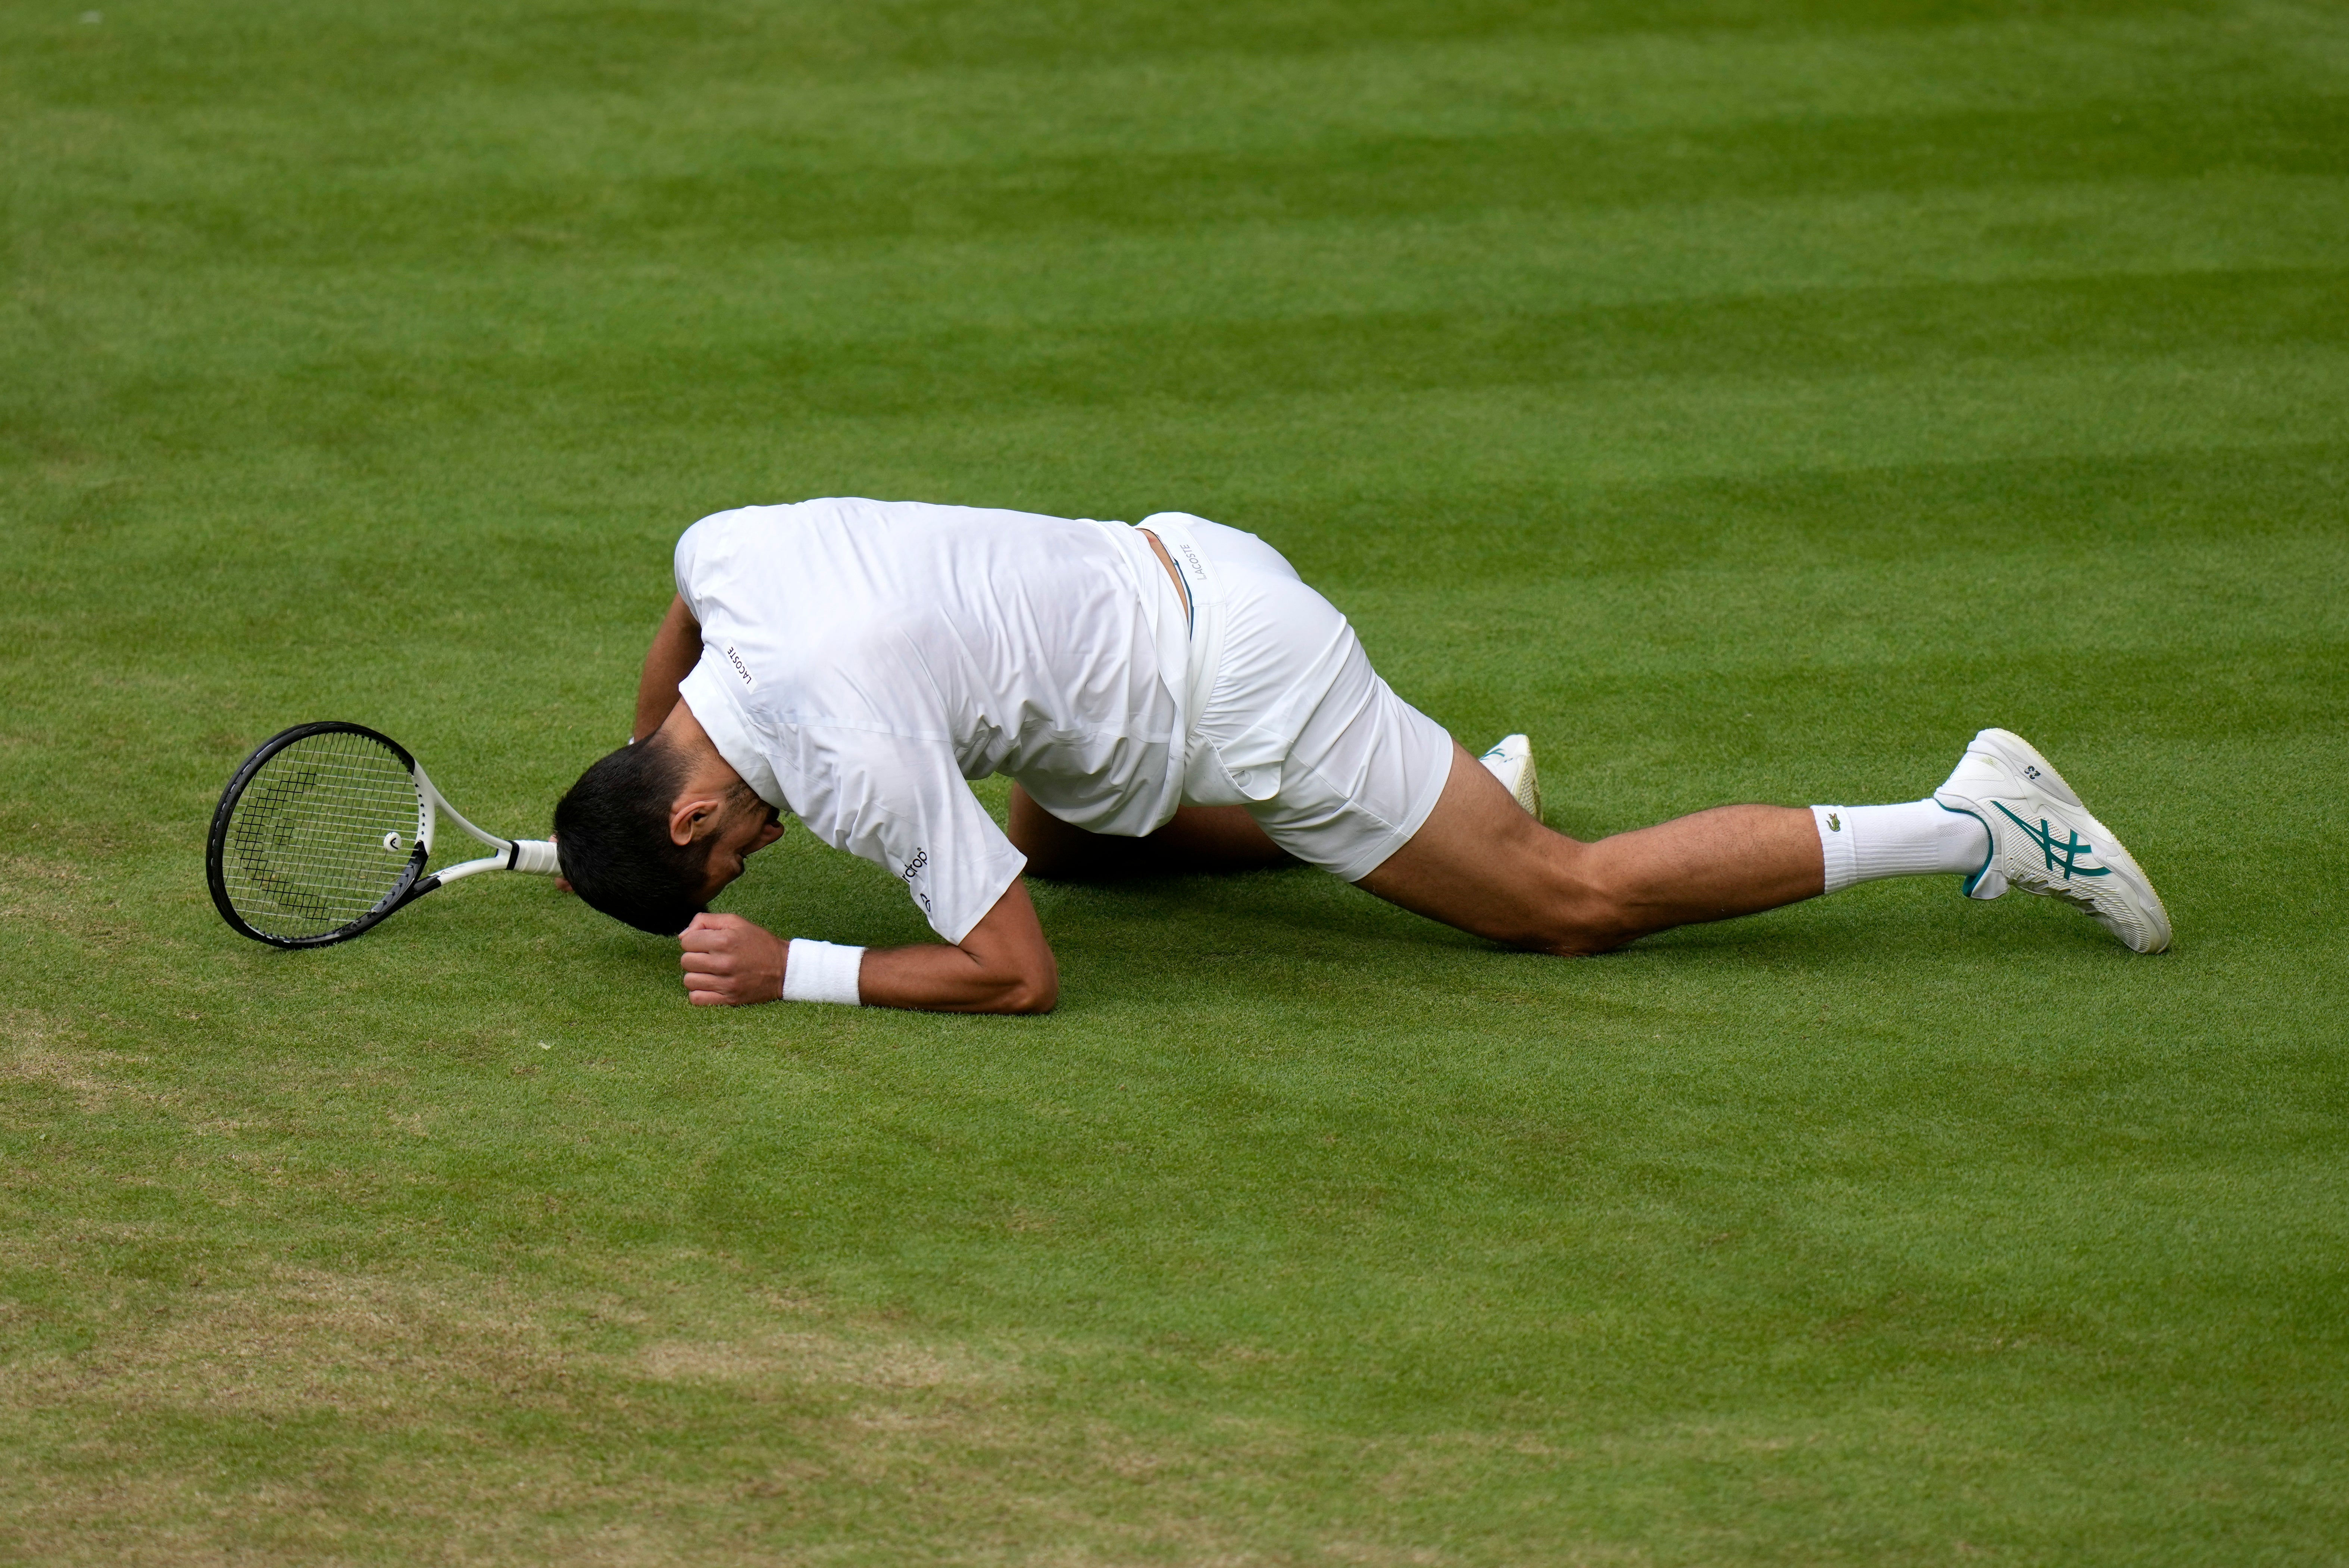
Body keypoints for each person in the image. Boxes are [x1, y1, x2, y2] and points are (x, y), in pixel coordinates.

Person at [552, 498, 2170, 1014]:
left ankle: (1974, 820)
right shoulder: (730, 553)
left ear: (692, 815)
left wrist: (794, 968)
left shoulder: (850, 758)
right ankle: (1454, 803)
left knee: (1566, 905)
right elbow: (681, 626)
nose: (764, 854)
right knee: (1056, 831)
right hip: (1176, 562)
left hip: (1244, 689)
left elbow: (1015, 975)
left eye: (731, 853)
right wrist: (634, 780)